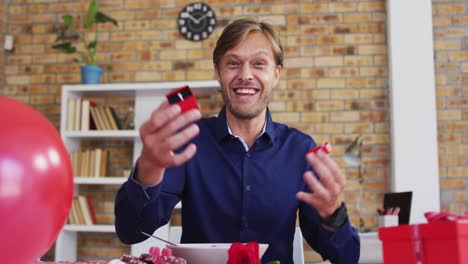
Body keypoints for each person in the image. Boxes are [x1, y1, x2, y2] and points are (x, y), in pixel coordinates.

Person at [114, 18, 360, 263]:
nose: (245, 75)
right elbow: (131, 231)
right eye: (233, 63)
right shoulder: (189, 141)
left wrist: (333, 213)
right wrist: (148, 168)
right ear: (218, 73)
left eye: (259, 64)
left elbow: (346, 257)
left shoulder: (301, 149)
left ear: (276, 74)